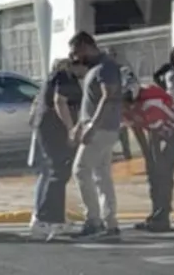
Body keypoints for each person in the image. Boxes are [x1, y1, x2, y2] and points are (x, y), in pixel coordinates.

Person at [69, 31, 123, 240]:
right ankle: (110, 223)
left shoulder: (106, 67)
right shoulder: (97, 67)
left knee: (81, 170)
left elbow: (108, 96)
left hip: (101, 129)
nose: (75, 57)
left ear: (86, 46)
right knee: (101, 175)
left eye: (76, 52)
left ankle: (93, 220)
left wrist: (92, 126)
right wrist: (80, 125)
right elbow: (93, 100)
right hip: (102, 127)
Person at [28, 58, 86, 240]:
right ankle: (45, 219)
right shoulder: (64, 77)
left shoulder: (52, 79)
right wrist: (70, 129)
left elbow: (36, 108)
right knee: (57, 172)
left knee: (50, 172)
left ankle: (54, 218)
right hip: (55, 129)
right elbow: (60, 102)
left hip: (46, 128)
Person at [123, 81, 174, 233]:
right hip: (157, 132)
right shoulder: (125, 107)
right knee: (153, 174)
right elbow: (137, 129)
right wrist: (147, 158)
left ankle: (162, 216)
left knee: (163, 173)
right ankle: (156, 213)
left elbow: (154, 138)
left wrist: (155, 162)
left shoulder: (152, 105)